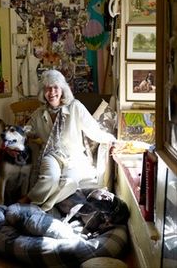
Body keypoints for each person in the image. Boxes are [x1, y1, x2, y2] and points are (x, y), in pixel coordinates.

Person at [19, 70, 116, 211]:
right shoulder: (39, 114)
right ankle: (29, 200)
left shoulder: (75, 106)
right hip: (51, 155)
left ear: (63, 90)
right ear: (43, 92)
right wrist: (16, 140)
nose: (52, 92)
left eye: (55, 87)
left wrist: (112, 141)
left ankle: (38, 207)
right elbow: (25, 131)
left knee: (69, 182)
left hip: (74, 157)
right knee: (50, 179)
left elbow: (94, 131)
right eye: (47, 88)